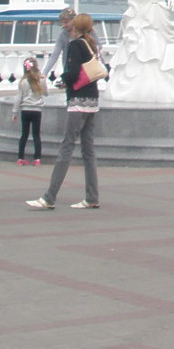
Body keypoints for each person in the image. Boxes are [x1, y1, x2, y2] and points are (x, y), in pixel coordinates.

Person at [28, 13, 103, 210]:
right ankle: (92, 196)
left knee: (67, 146)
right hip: (92, 99)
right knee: (88, 150)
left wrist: (63, 79)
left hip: (78, 100)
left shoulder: (76, 45)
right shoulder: (91, 44)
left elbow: (74, 73)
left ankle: (49, 197)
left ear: (76, 27)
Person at [15, 57, 45, 165]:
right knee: (36, 135)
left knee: (24, 134)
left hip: (25, 110)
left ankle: (20, 158)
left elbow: (18, 98)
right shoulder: (40, 80)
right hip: (37, 110)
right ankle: (37, 158)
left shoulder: (23, 82)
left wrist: (15, 112)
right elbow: (46, 93)